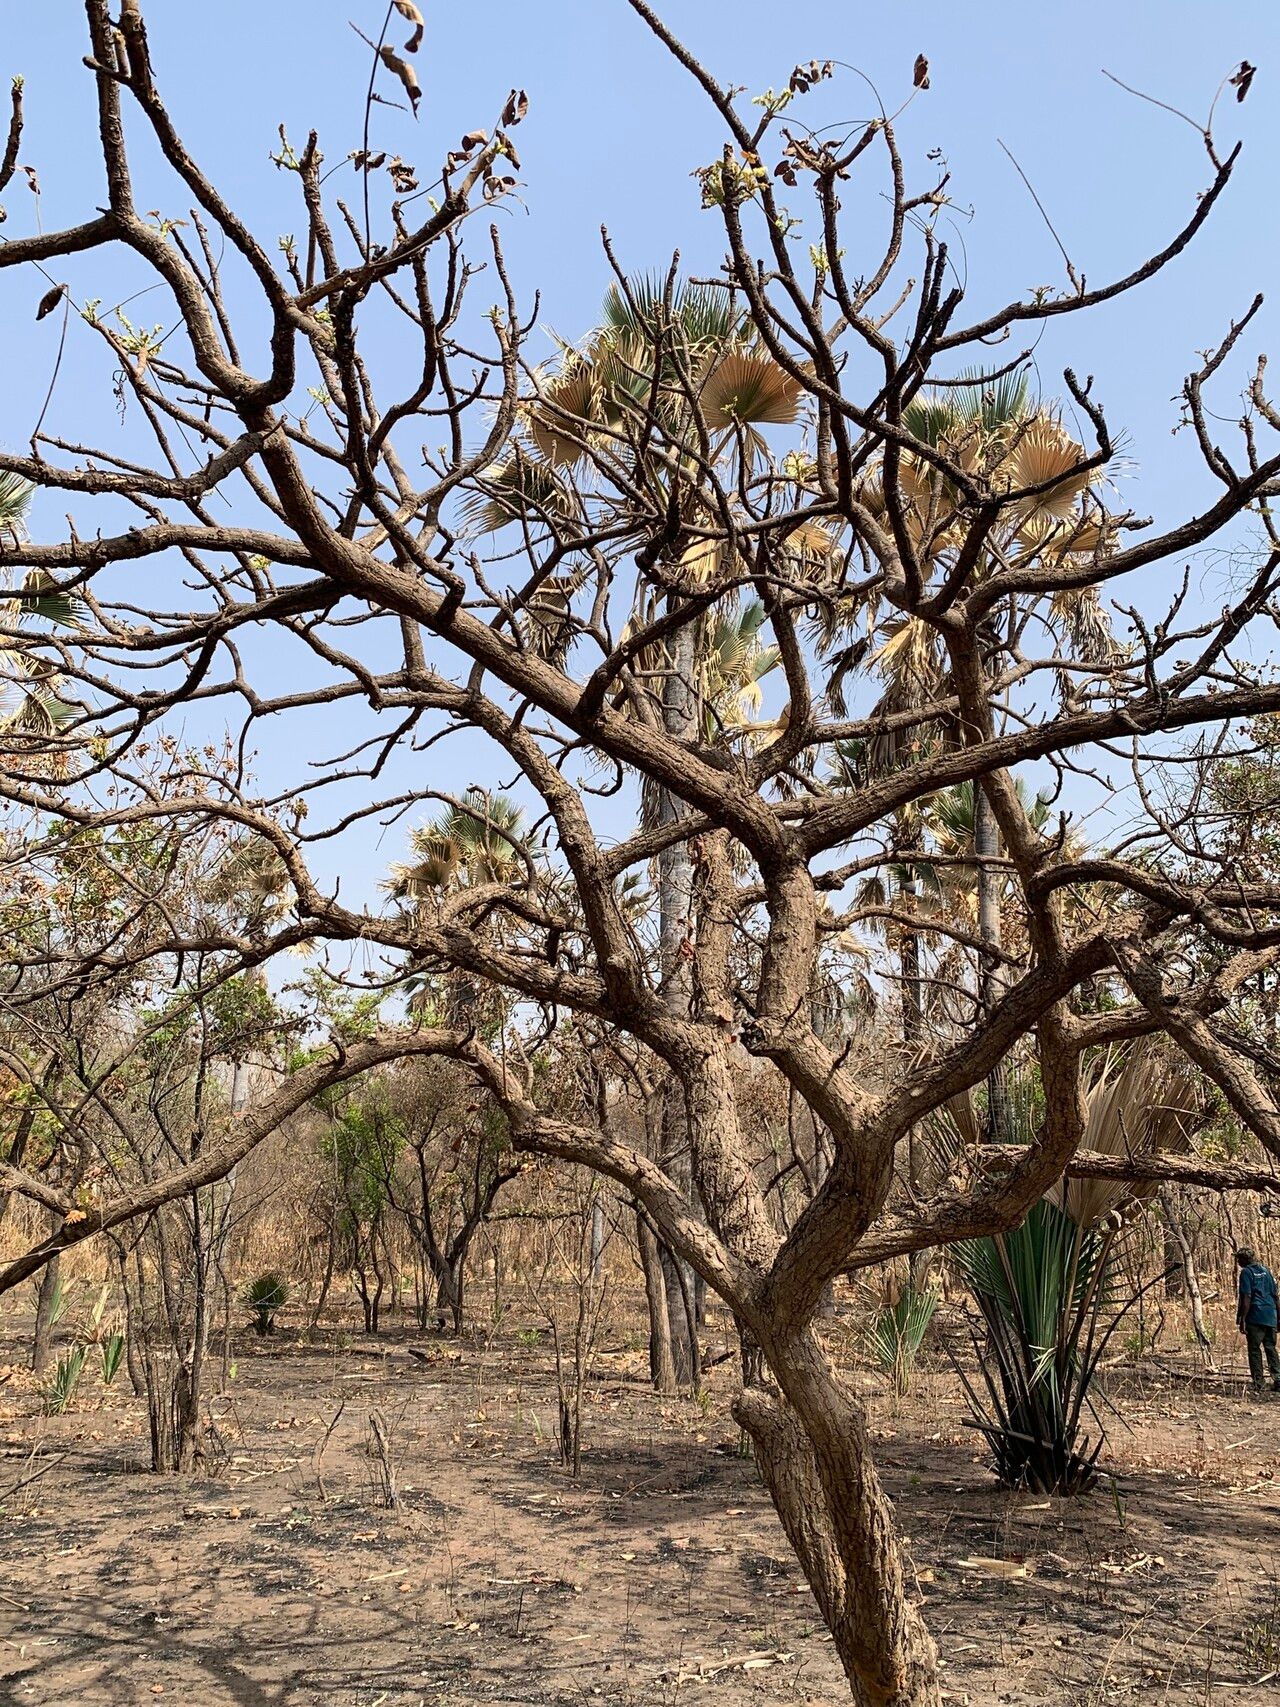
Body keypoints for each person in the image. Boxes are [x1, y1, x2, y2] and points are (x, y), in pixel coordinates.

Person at [1235, 1248, 1280, 1395]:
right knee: (1270, 1348)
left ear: (1244, 1260)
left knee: (1254, 1350)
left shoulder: (1246, 1273)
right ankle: (1278, 1379)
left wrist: (1242, 1319)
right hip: (1270, 1314)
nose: (1237, 1262)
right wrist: (1278, 1317)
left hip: (1255, 1316)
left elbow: (1246, 1297)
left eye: (1239, 1259)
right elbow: (1275, 1296)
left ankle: (1259, 1383)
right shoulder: (1266, 1271)